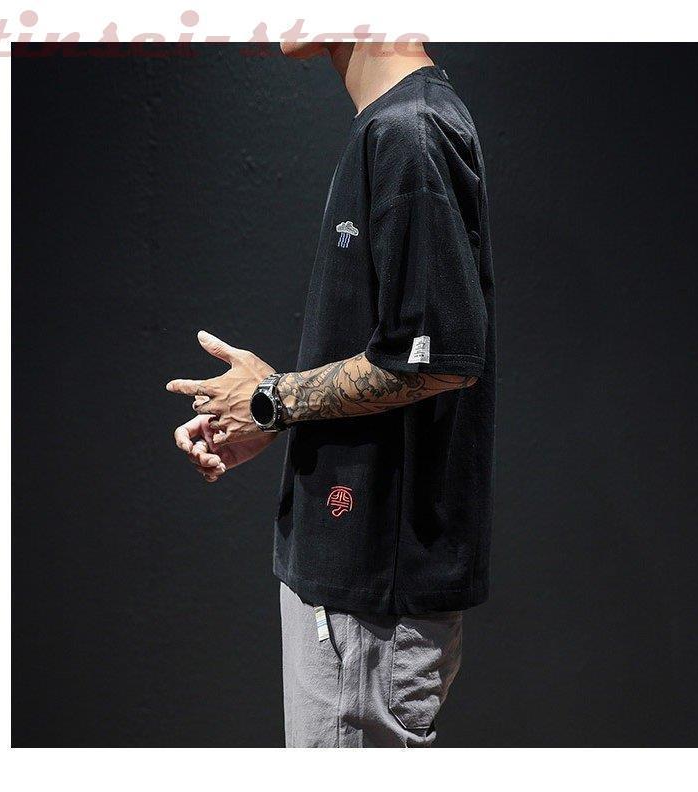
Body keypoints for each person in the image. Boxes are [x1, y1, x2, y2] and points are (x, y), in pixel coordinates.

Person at [166, 40, 496, 748]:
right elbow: (407, 355)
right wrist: (270, 415)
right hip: (352, 598)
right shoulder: (393, 124)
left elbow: (434, 358)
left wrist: (272, 399)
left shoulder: (410, 130)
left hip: (368, 602)